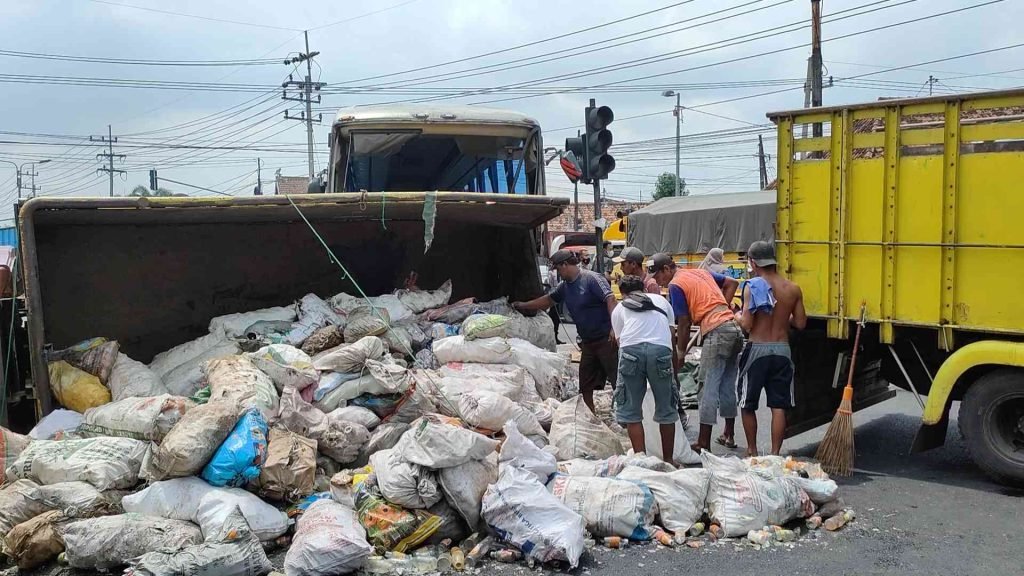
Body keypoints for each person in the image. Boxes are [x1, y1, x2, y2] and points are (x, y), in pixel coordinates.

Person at [650, 253, 742, 453]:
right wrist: (723, 308)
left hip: (717, 331)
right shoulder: (699, 273)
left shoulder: (676, 284)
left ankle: (703, 442)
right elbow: (732, 283)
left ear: (667, 269)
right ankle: (729, 433)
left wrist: (681, 353)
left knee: (706, 387)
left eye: (658, 276)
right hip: (733, 328)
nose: (659, 281)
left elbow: (683, 322)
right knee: (726, 385)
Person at [513, 249, 618, 414]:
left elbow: (610, 299)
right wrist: (523, 305)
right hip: (588, 343)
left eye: (558, 269)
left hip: (606, 340)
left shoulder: (591, 279)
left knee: (617, 380)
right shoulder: (564, 287)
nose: (558, 273)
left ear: (565, 265)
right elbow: (548, 300)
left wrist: (615, 327)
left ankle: (628, 418)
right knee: (586, 386)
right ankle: (591, 418)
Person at [735, 241, 806, 456]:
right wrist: (783, 314)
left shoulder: (752, 285)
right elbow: (801, 323)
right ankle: (775, 454)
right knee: (778, 406)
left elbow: (747, 324)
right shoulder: (792, 288)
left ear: (753, 262)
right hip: (782, 350)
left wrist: (736, 315)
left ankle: (752, 451)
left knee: (748, 403)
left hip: (758, 348)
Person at [611, 275, 678, 462]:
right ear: (644, 288)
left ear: (623, 293)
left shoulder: (619, 308)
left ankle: (641, 459)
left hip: (631, 350)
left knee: (632, 409)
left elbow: (620, 342)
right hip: (661, 350)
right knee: (666, 407)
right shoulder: (661, 301)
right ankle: (668, 460)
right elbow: (671, 335)